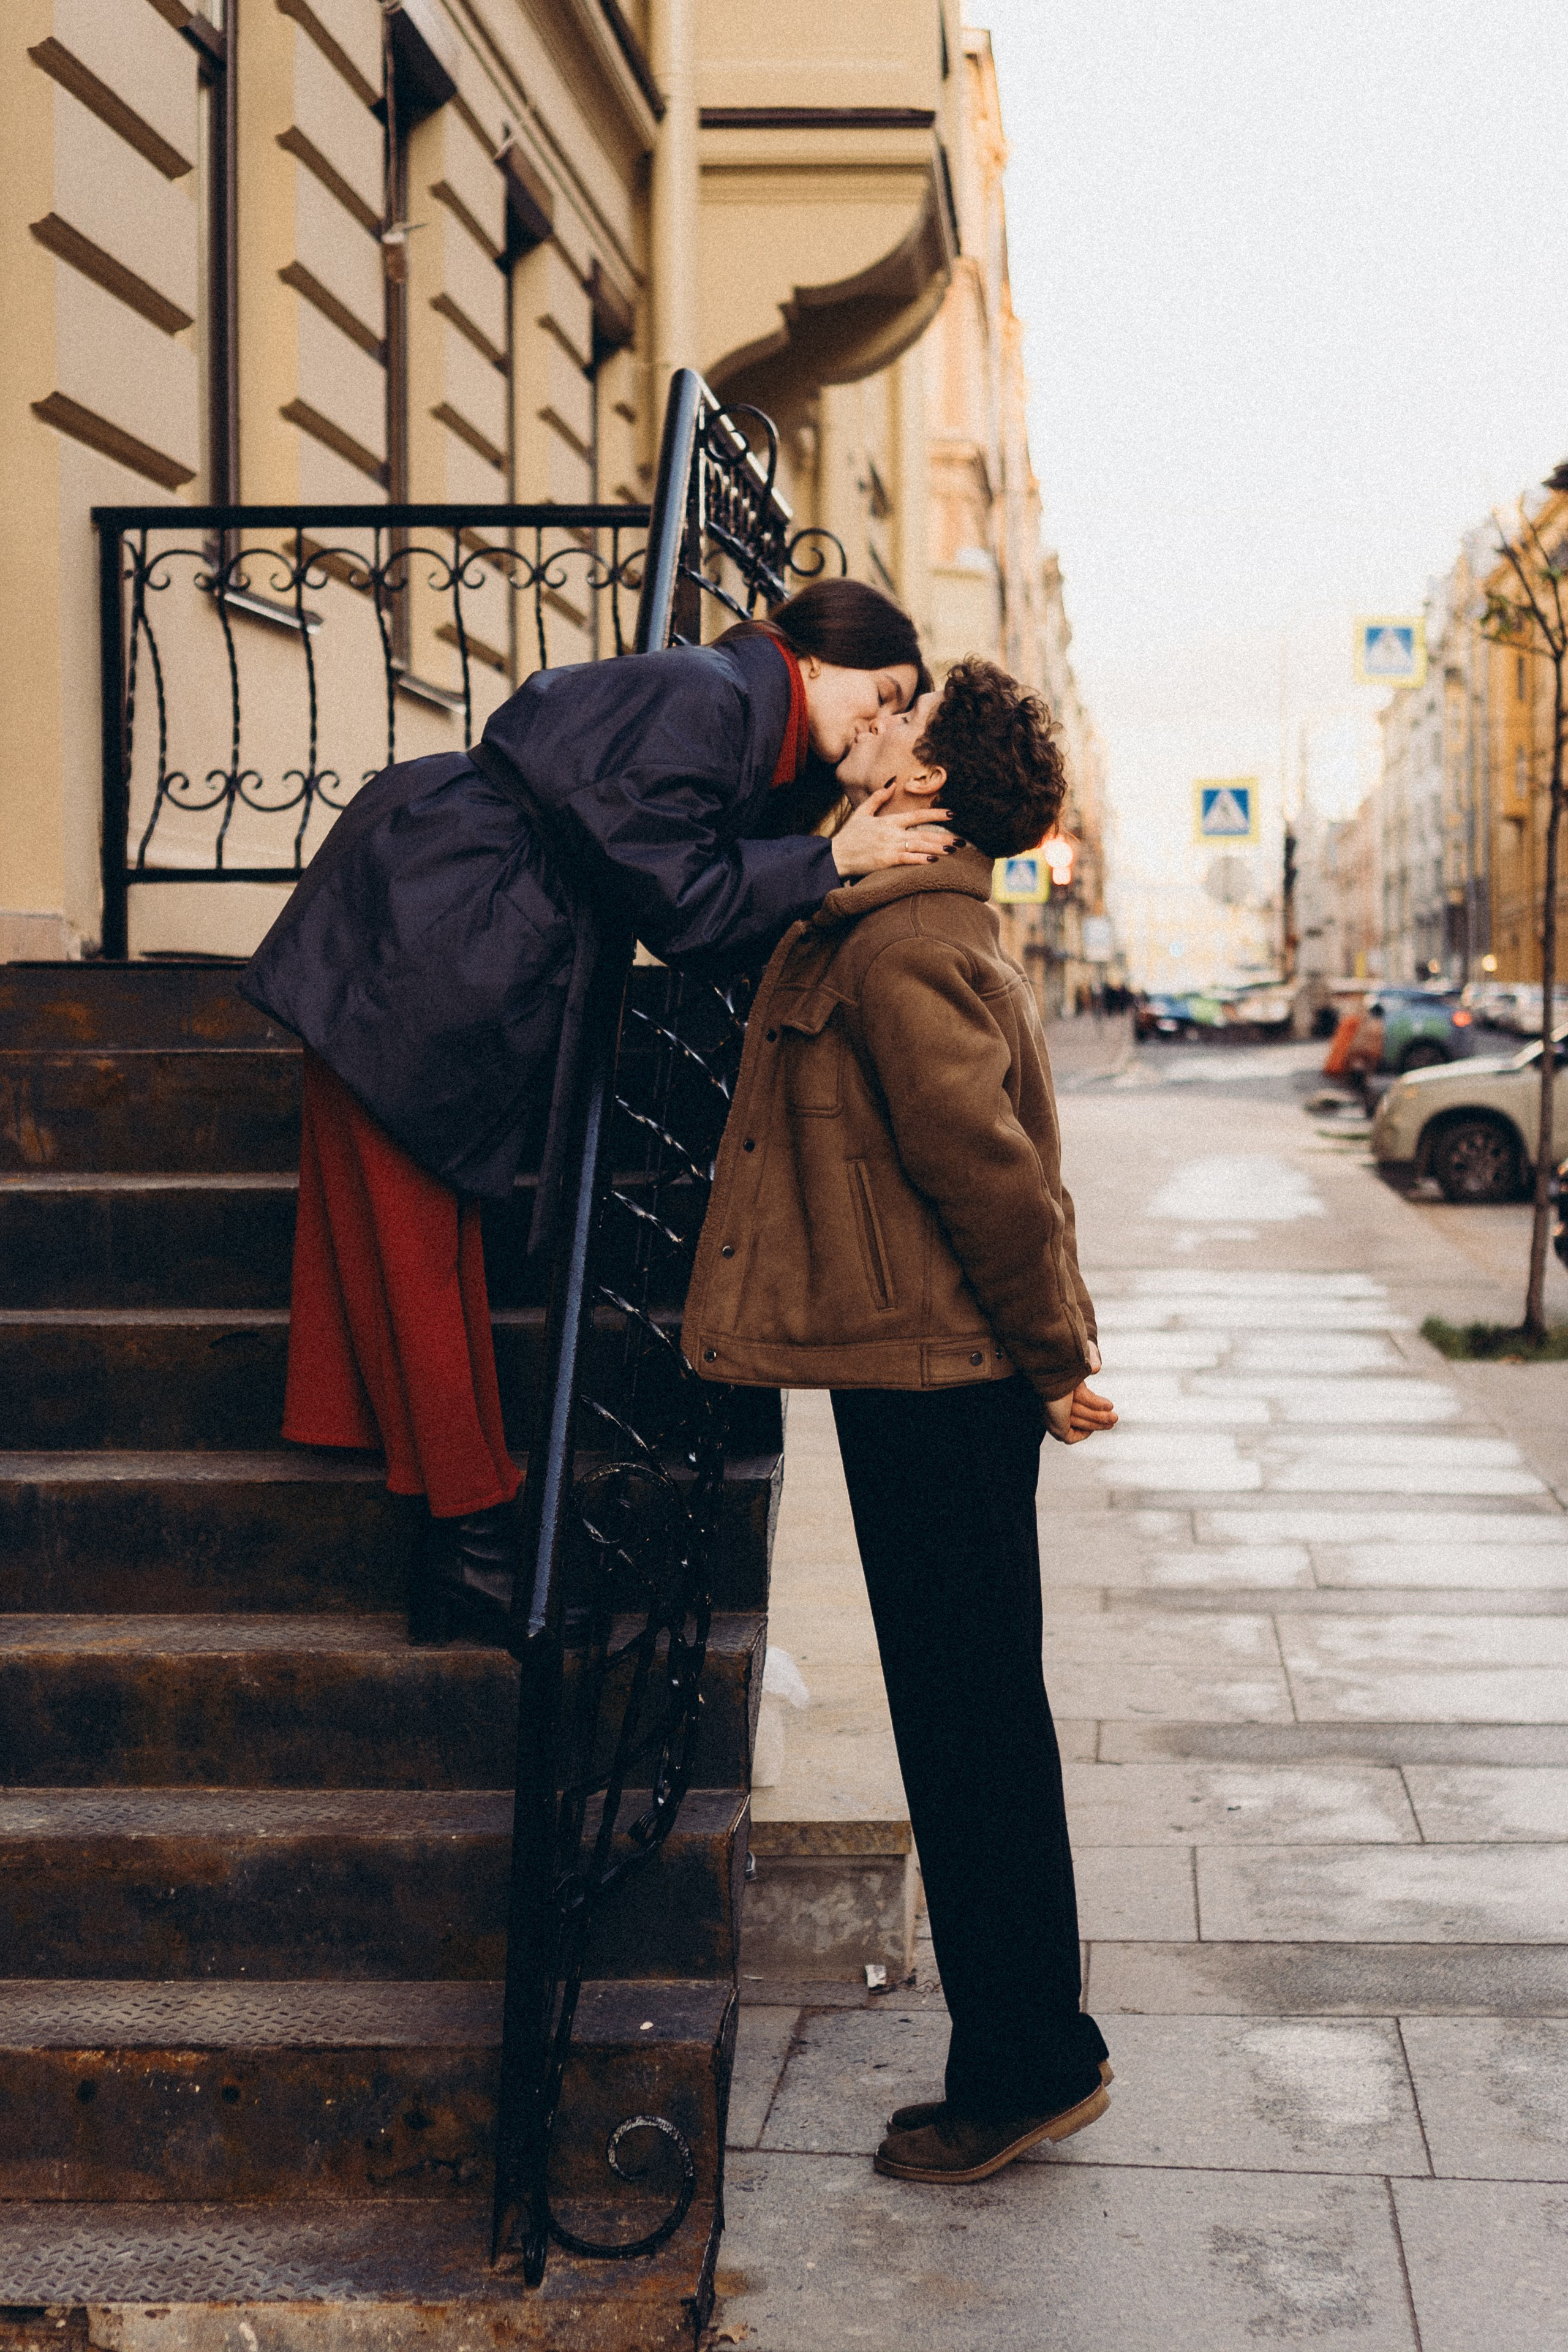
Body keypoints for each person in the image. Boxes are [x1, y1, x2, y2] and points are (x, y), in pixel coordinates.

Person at [240, 581, 951, 1641]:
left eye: (903, 713)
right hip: (430, 934)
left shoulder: (734, 714)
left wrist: (834, 837)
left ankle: (465, 1545)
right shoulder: (712, 695)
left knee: (411, 1251)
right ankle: (474, 1552)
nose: (882, 721)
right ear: (814, 655)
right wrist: (834, 856)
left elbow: (699, 888)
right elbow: (679, 895)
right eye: (882, 693)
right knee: (414, 1257)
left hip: (435, 924)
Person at [682, 655, 1118, 2184]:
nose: (870, 732)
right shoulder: (889, 922)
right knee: (972, 1708)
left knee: (970, 1720)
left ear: (922, 788)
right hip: (920, 1371)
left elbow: (988, 1170)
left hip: (943, 1382)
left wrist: (1053, 1357)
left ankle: (1025, 2061)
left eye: (898, 726)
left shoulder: (900, 947)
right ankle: (1029, 2043)